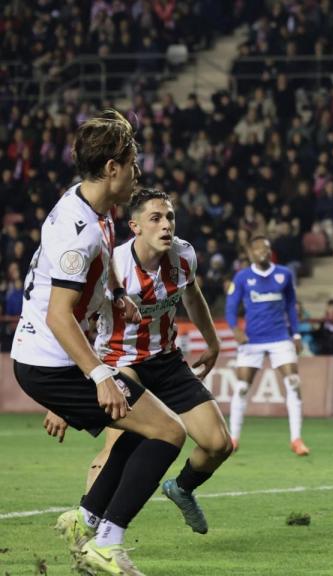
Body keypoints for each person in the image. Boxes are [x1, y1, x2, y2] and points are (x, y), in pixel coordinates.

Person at [13, 110, 187, 575]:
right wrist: (100, 376)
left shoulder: (91, 207)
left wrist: (116, 295)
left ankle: (88, 521)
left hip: (49, 359)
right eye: (132, 163)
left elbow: (102, 260)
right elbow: (58, 316)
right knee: (170, 432)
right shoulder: (81, 229)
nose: (138, 171)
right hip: (50, 362)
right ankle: (106, 541)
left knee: (142, 427)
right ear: (112, 168)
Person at [49, 189, 232, 536]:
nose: (166, 226)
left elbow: (192, 295)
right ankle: (89, 524)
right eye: (156, 218)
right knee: (118, 443)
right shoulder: (112, 266)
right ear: (135, 226)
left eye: (170, 218)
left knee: (218, 444)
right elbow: (69, 318)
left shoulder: (184, 256)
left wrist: (212, 340)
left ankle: (181, 489)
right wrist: (60, 395)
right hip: (120, 361)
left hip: (167, 360)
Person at [226, 235, 308, 455]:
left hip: (280, 338)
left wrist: (297, 335)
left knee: (293, 382)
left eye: (266, 248)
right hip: (252, 340)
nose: (262, 252)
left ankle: (296, 439)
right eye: (258, 249)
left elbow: (291, 305)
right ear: (250, 253)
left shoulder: (284, 274)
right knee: (242, 388)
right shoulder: (242, 277)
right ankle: (233, 438)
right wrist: (236, 330)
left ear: (270, 251)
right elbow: (230, 307)